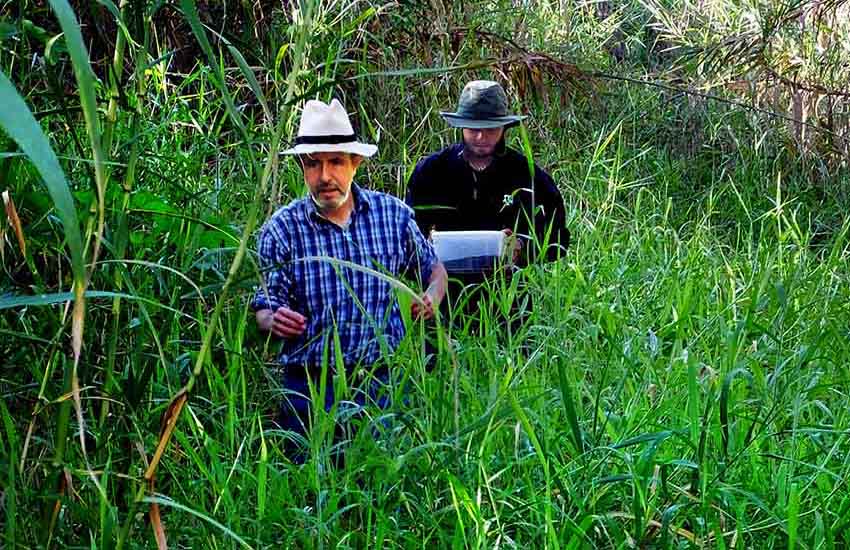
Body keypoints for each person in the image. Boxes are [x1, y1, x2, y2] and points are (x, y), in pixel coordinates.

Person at [252, 98, 447, 461]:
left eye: (336, 162)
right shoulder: (281, 230)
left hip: (382, 381)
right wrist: (275, 320)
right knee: (310, 494)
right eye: (314, 164)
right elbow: (264, 309)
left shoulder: (392, 215)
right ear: (302, 166)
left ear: (355, 163)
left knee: (381, 487)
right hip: (309, 385)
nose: (325, 176)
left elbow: (434, 270)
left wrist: (431, 296)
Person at [406, 80, 569, 320]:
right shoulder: (431, 172)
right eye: (473, 129)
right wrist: (428, 249)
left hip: (510, 304)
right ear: (461, 126)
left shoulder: (528, 176)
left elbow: (558, 240)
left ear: (504, 127)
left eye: (490, 129)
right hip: (443, 301)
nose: (481, 137)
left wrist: (522, 249)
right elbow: (406, 238)